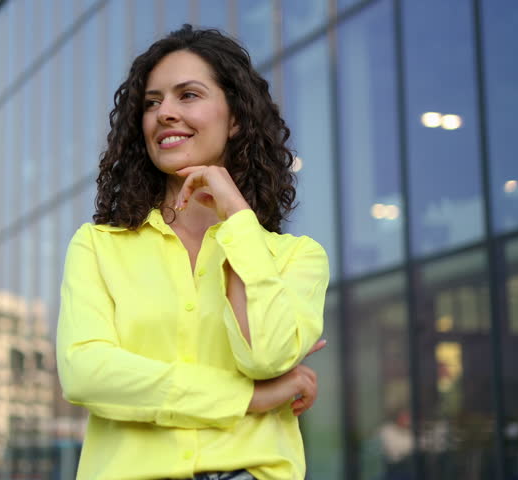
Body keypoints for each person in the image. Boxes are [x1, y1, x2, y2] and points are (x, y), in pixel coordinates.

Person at [56, 24, 329, 480]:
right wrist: (247, 398)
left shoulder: (296, 257)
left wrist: (236, 218)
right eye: (152, 102)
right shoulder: (97, 247)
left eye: (188, 95)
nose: (165, 113)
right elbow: (86, 373)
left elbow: (266, 356)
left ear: (235, 117)